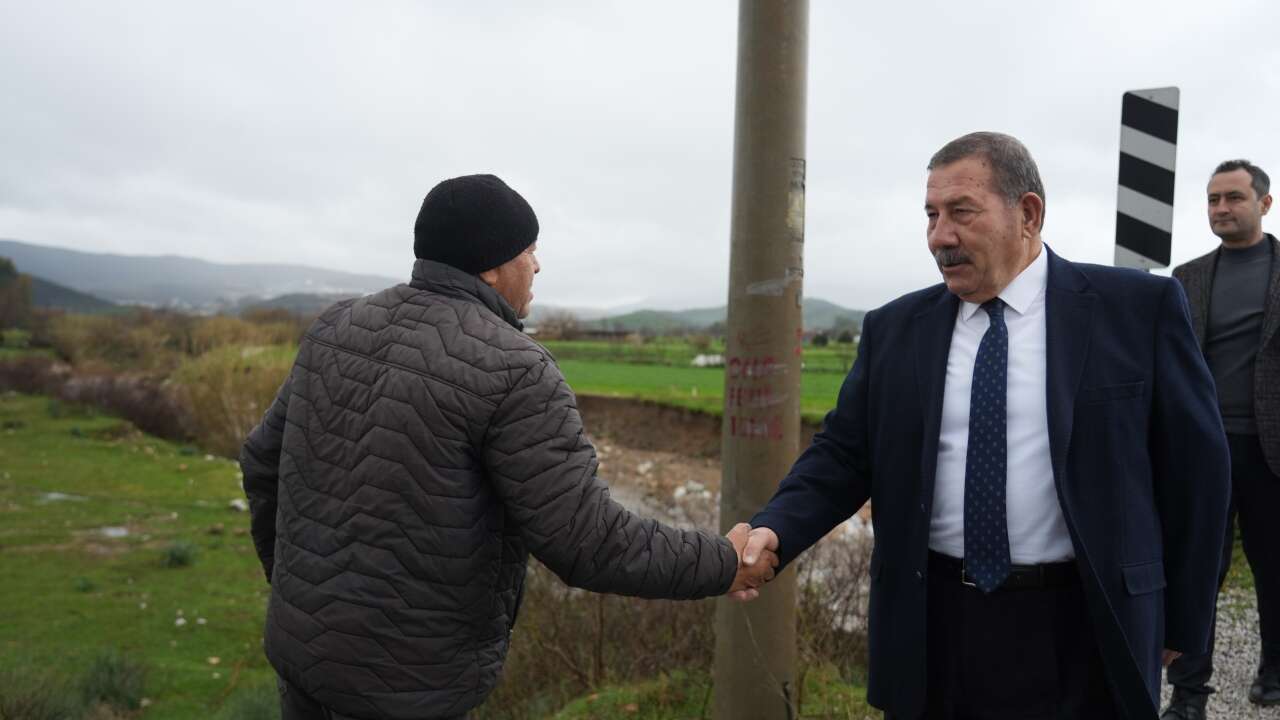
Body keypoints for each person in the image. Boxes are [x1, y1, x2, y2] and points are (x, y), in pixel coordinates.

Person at [239, 174, 776, 720]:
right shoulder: (515, 368)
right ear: (492, 265)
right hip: (409, 686)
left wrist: (296, 589)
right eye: (529, 250)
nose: (537, 266)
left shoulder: (336, 326)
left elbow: (262, 461)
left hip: (302, 659)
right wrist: (721, 562)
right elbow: (587, 540)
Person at [733, 132, 1231, 719]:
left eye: (961, 212)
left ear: (1028, 214)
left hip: (1086, 624)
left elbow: (1197, 472)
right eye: (931, 215)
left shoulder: (1137, 310)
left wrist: (1183, 619)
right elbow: (843, 455)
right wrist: (777, 528)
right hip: (933, 626)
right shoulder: (895, 330)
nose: (939, 236)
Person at [1161, 159, 1280, 718]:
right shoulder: (1185, 278)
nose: (1221, 208)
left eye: (1233, 197)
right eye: (1213, 199)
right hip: (1202, 448)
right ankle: (1189, 695)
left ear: (1264, 203)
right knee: (1195, 572)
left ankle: (1274, 670)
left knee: (1274, 567)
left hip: (1271, 449)